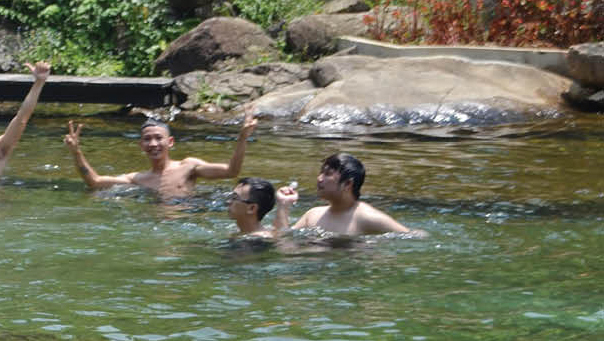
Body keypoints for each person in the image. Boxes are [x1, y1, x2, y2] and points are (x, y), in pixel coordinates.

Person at [64, 113, 258, 197]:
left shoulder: (188, 167)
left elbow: (232, 172)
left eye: (159, 138)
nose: (153, 144)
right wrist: (76, 152)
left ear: (170, 142)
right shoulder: (137, 179)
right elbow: (95, 182)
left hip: (188, 216)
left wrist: (242, 138)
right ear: (141, 145)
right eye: (147, 139)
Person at [275, 152, 424, 236]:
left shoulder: (367, 217)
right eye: (321, 173)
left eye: (327, 174)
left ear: (348, 184)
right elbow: (282, 241)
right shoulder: (312, 215)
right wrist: (283, 206)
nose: (319, 179)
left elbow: (415, 236)